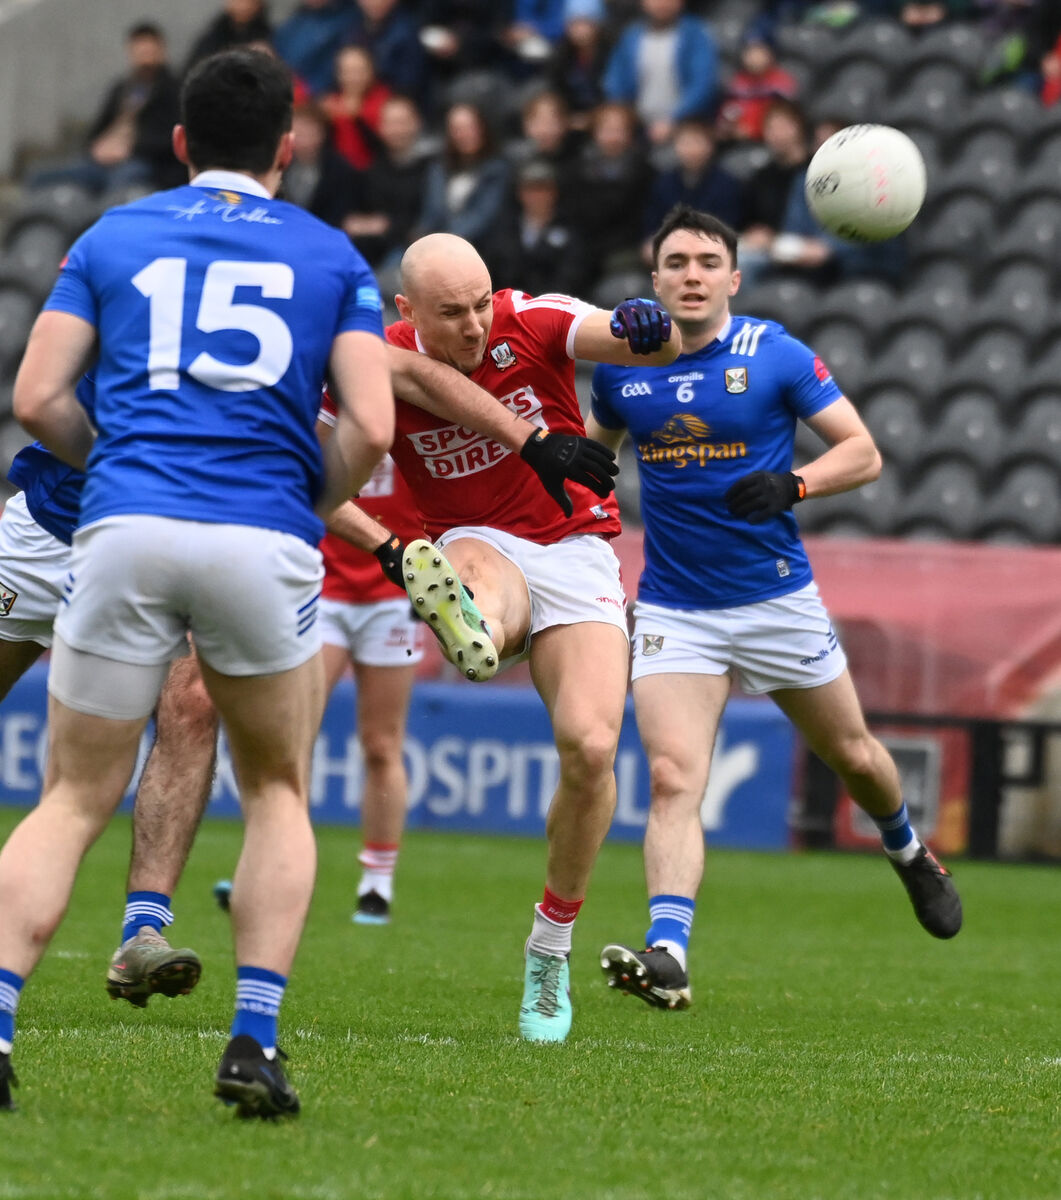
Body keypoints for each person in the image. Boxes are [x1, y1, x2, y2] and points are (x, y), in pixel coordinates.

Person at [0, 48, 395, 1119]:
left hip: (121, 526)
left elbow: (38, 398)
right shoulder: (330, 258)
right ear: (289, 146)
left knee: (74, 795)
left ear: (177, 142)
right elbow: (372, 424)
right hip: (260, 538)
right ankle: (253, 1044)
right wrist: (303, 499)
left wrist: (122, 465)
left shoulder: (111, 234)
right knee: (274, 790)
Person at [584, 205, 962, 1013]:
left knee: (855, 757)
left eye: (706, 261)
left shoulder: (774, 353)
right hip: (675, 606)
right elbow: (596, 457)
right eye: (676, 261)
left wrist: (794, 483)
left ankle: (907, 853)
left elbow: (862, 452)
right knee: (671, 776)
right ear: (653, 279)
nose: (691, 274)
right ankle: (669, 951)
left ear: (732, 277)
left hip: (775, 599)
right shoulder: (620, 368)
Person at [323, 231, 682, 1043]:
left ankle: (549, 946)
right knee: (477, 576)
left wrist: (641, 325)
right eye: (452, 313)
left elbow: (614, 336)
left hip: (575, 549)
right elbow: (301, 473)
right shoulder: (378, 363)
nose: (476, 325)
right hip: (473, 540)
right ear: (407, 311)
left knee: (590, 750)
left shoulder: (532, 317)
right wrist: (382, 547)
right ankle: (468, 620)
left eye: (482, 302)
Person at [0, 376, 220, 1012]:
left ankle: (141, 934)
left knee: (194, 702)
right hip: (48, 532)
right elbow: (37, 397)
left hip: (161, 552)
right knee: (75, 789)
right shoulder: (115, 273)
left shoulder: (274, 287)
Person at [315, 450, 426, 925]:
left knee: (382, 744)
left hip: (395, 591)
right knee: (288, 736)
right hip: (321, 586)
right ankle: (273, 863)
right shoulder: (323, 397)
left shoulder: (417, 397)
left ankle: (377, 883)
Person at [27, 22, 182, 195]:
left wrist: (129, 149)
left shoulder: (173, 90)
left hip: (145, 163)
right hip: (103, 161)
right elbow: (97, 129)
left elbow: (171, 136)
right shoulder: (121, 88)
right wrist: (97, 148)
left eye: (149, 52)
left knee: (122, 182)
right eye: (139, 52)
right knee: (41, 176)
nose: (144, 59)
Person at [602, 0, 719, 148]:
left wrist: (674, 119)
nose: (662, 4)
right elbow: (615, 81)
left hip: (686, 128)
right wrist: (624, 116)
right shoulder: (632, 35)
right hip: (639, 127)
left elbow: (702, 84)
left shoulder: (696, 34)